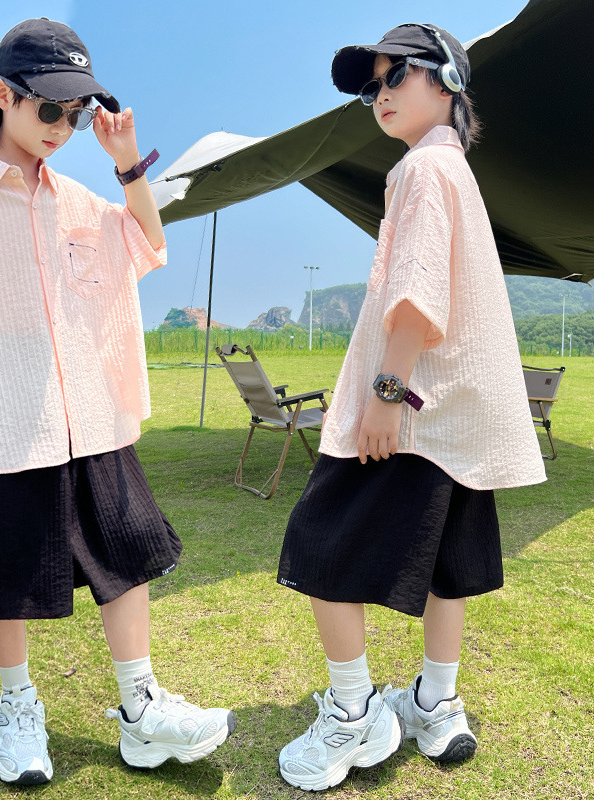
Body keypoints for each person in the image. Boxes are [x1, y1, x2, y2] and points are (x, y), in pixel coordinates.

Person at [0, 18, 235, 786]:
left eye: (77, 112)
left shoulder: (74, 198)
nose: (64, 128)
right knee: (5, 574)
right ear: (3, 95)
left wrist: (126, 163)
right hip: (4, 423)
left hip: (91, 420)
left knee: (125, 557)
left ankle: (141, 708)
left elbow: (147, 245)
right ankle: (17, 706)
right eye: (50, 110)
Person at [275, 23, 545, 791]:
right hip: (459, 411)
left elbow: (417, 292)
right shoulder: (451, 168)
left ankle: (353, 713)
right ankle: (435, 703)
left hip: (416, 404)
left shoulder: (423, 168)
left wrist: (387, 394)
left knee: (320, 547)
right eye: (372, 85)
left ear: (448, 80)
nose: (380, 94)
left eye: (396, 75)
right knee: (447, 566)